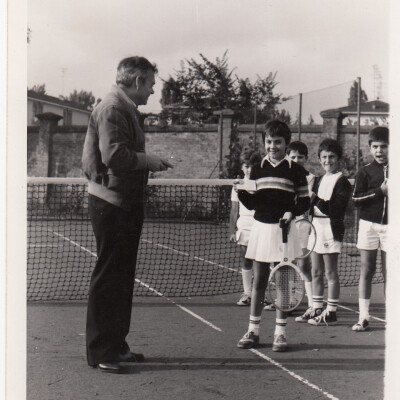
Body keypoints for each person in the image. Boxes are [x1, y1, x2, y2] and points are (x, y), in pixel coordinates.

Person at [82, 56, 173, 373]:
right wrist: (148, 160)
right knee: (110, 278)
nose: (151, 91)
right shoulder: (112, 107)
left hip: (123, 202)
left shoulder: (123, 108)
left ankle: (116, 346)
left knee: (120, 278)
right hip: (111, 203)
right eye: (150, 83)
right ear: (137, 82)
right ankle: (102, 351)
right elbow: (114, 156)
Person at [236, 120, 310, 352]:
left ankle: (280, 333)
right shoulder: (258, 168)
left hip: (284, 232)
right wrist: (240, 191)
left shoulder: (296, 171)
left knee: (283, 283)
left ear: (286, 144)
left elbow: (305, 201)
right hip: (261, 229)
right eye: (269, 142)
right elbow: (254, 202)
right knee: (259, 281)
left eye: (277, 142)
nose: (272, 146)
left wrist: (291, 212)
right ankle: (254, 330)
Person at [306, 139, 352, 326]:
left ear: (339, 159)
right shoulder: (318, 180)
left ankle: (331, 312)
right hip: (316, 228)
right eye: (324, 157)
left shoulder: (343, 182)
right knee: (316, 271)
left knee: (330, 272)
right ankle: (317, 307)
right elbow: (310, 205)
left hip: (331, 229)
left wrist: (314, 198)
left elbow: (336, 210)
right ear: (319, 159)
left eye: (331, 157)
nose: (327, 161)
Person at [351, 126, 388, 331]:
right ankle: (363, 317)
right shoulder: (364, 171)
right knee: (367, 269)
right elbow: (356, 199)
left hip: (392, 228)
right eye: (375, 147)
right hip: (368, 226)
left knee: (390, 273)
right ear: (370, 148)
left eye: (384, 146)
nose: (379, 151)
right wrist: (380, 192)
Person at [285, 141, 316, 322]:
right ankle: (288, 301)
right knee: (286, 263)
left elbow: (305, 203)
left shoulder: (311, 179)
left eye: (300, 157)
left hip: (303, 226)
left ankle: (312, 304)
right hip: (286, 225)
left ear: (306, 158)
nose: (296, 160)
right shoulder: (283, 176)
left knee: (304, 265)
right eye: (293, 157)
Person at [229, 148, 261, 306]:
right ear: (242, 167)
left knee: (261, 261)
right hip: (244, 225)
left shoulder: (261, 183)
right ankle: (247, 293)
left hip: (260, 224)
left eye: (251, 166)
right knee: (246, 260)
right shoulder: (237, 185)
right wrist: (232, 230)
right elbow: (234, 209)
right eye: (246, 166)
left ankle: (260, 293)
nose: (249, 169)